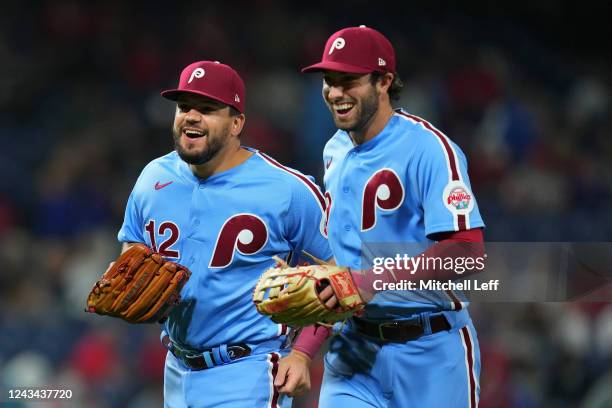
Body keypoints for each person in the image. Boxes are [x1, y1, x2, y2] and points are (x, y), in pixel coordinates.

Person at [117, 60, 332, 407]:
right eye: (184, 106)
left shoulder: (287, 190)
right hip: (176, 367)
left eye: (207, 109)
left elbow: (343, 271)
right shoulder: (152, 178)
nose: (191, 116)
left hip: (248, 370)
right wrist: (136, 278)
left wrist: (304, 353)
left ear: (236, 123)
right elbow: (132, 245)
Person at [300, 26, 486, 407]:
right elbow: (343, 266)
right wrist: (305, 348)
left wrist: (373, 279)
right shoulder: (334, 150)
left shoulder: (429, 149)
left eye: (348, 80)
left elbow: (468, 252)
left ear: (383, 81)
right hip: (353, 351)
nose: (335, 92)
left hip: (431, 351)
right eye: (329, 80)